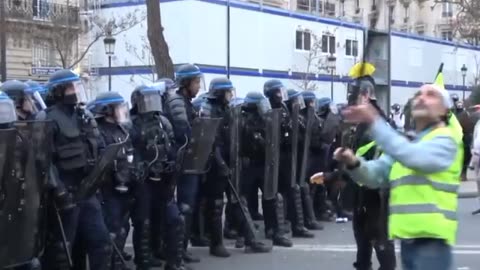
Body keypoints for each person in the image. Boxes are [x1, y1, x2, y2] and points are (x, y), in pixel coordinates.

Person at [331, 83, 463, 270]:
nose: (422, 98)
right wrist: (353, 162)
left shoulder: (446, 139)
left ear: (445, 109)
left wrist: (374, 121)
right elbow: (375, 175)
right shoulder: (408, 141)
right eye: (418, 94)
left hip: (432, 243)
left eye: (431, 95)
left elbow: (412, 156)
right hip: (409, 241)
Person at [40, 69, 112, 270]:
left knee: (101, 242)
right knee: (63, 253)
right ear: (59, 91)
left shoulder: (83, 116)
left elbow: (96, 147)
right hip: (65, 194)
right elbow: (44, 160)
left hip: (87, 191)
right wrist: (59, 191)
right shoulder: (47, 118)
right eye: (72, 87)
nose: (76, 91)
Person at [130, 84, 186, 270]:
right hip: (144, 181)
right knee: (144, 222)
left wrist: (171, 162)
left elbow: (171, 146)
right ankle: (143, 262)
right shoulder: (132, 124)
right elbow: (130, 152)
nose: (151, 104)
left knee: (174, 219)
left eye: (153, 99)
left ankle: (174, 263)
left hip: (163, 178)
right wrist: (140, 166)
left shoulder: (163, 121)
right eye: (146, 100)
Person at [164, 64, 204, 263]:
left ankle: (181, 249)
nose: (198, 86)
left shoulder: (186, 102)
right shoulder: (177, 101)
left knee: (187, 207)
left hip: (188, 160)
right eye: (196, 82)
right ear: (186, 83)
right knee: (183, 208)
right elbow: (183, 131)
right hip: (178, 161)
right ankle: (176, 252)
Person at [90, 91, 133, 270]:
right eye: (117, 107)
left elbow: (130, 154)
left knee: (123, 227)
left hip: (125, 185)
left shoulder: (122, 129)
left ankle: (118, 263)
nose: (121, 110)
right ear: (107, 109)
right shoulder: (99, 131)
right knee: (113, 230)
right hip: (109, 188)